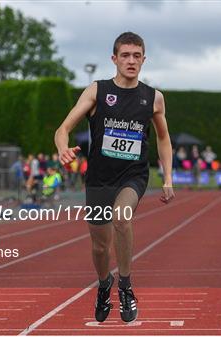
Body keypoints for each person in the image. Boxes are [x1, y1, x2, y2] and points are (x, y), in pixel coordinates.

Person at [54, 32, 174, 323]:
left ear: (143, 60)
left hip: (133, 175)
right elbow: (63, 128)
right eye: (125, 55)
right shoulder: (97, 91)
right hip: (98, 178)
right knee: (98, 246)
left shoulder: (153, 98)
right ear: (114, 59)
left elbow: (163, 137)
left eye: (136, 56)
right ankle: (104, 282)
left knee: (122, 218)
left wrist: (167, 177)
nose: (131, 61)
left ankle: (126, 285)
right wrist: (62, 149)